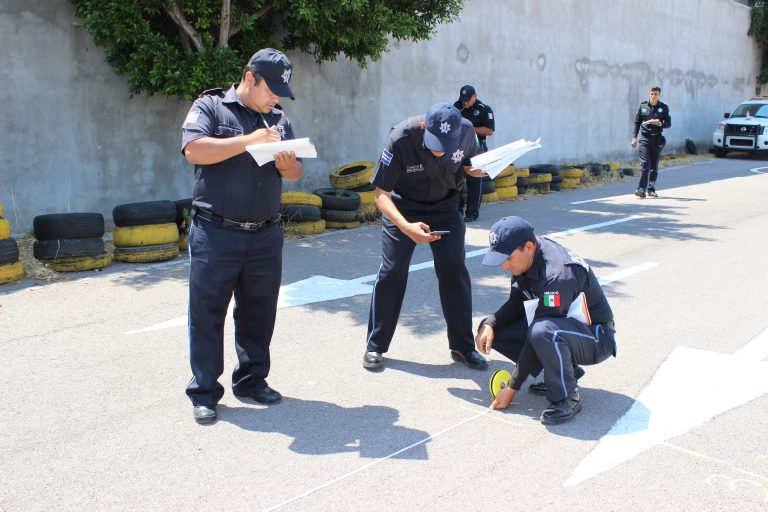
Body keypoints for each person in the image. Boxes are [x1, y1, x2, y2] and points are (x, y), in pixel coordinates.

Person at [180, 48, 304, 424]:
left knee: (259, 313)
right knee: (207, 314)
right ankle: (204, 391)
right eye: (272, 88)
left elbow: (297, 170)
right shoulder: (212, 107)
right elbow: (194, 150)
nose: (277, 97)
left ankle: (251, 380)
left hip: (265, 234)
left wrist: (287, 165)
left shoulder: (279, 119)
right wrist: (248, 140)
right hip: (217, 233)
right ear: (249, 78)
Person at [363, 102, 489, 371]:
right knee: (393, 271)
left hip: (445, 206)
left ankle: (462, 346)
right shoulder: (400, 138)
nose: (440, 149)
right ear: (424, 128)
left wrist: (482, 169)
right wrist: (406, 227)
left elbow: (469, 166)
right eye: (435, 142)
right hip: (403, 207)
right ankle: (375, 345)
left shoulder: (467, 132)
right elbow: (381, 195)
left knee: (454, 270)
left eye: (447, 143)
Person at [475, 216, 617, 425]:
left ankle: (567, 397)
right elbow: (517, 301)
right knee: (493, 329)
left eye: (507, 258)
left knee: (543, 332)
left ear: (529, 247)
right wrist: (490, 324)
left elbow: (539, 332)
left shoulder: (557, 275)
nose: (504, 266)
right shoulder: (527, 256)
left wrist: (512, 387)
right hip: (562, 327)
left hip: (596, 336)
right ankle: (563, 372)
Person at [453, 85, 494, 221]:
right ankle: (457, 211)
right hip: (459, 149)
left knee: (474, 182)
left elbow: (489, 130)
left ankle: (471, 213)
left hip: (477, 149)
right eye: (463, 99)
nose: (465, 102)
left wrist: (469, 129)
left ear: (475, 96)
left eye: (468, 99)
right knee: (455, 182)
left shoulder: (484, 109)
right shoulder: (457, 107)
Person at [631, 86, 671, 198]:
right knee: (645, 164)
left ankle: (651, 189)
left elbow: (668, 123)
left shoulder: (664, 108)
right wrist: (634, 137)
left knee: (654, 165)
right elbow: (637, 122)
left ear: (659, 95)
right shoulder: (643, 106)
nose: (653, 96)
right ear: (649, 94)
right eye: (652, 94)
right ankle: (641, 189)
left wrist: (660, 123)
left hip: (657, 139)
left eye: (656, 94)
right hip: (644, 138)